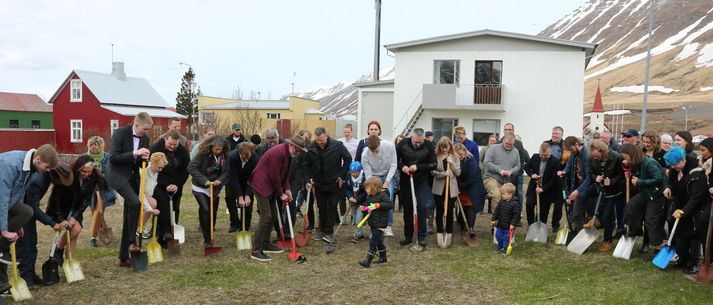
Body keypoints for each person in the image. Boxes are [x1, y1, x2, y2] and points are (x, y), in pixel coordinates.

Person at [0, 144, 57, 292]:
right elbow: (2, 199)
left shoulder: (31, 168)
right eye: (47, 166)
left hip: (8, 201)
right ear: (38, 159)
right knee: (3, 239)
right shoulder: (11, 165)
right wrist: (4, 230)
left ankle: (3, 248)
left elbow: (17, 195)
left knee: (26, 211)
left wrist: (17, 225)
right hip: (1, 200)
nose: (48, 170)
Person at [249, 135, 308, 261]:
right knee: (266, 216)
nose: (298, 153)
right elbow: (274, 175)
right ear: (292, 145)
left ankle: (265, 243)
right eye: (298, 150)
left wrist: (287, 189)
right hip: (261, 185)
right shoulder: (278, 152)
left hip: (271, 185)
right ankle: (256, 249)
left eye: (300, 151)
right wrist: (281, 194)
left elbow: (285, 175)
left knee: (274, 215)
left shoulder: (289, 154)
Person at [106, 112, 152, 268]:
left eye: (148, 130)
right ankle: (132, 242)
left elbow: (139, 164)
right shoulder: (120, 133)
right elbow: (113, 158)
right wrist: (134, 153)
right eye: (144, 129)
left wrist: (145, 159)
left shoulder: (145, 138)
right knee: (135, 203)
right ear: (136, 124)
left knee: (129, 214)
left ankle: (124, 258)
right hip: (117, 175)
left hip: (132, 177)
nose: (146, 133)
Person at [49, 155, 107, 264]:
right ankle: (59, 252)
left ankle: (62, 252)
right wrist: (61, 219)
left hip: (76, 208)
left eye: (89, 172)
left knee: (75, 232)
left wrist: (74, 217)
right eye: (84, 171)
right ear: (79, 168)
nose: (86, 174)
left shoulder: (92, 177)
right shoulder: (68, 175)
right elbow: (56, 199)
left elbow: (86, 199)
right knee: (74, 232)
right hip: (61, 208)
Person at [663, 146, 709, 274]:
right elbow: (671, 182)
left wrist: (683, 211)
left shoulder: (697, 173)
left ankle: (694, 263)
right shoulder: (674, 170)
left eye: (675, 164)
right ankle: (683, 259)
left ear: (683, 160)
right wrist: (668, 188)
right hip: (679, 206)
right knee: (679, 235)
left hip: (694, 209)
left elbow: (696, 198)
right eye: (671, 165)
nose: (673, 167)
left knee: (692, 236)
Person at [304, 127, 352, 242]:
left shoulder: (337, 145)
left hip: (334, 182)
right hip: (319, 183)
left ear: (326, 135)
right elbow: (306, 166)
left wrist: (341, 175)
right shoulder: (311, 148)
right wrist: (307, 179)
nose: (320, 143)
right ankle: (322, 230)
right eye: (317, 140)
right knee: (321, 207)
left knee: (331, 206)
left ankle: (329, 232)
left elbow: (348, 159)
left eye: (322, 140)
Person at [621, 144, 666, 252]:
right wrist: (628, 169)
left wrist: (639, 182)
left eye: (627, 157)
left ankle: (658, 245)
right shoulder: (637, 162)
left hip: (656, 194)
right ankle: (634, 231)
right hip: (646, 192)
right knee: (631, 206)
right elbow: (637, 173)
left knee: (650, 220)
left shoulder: (650, 163)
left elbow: (659, 178)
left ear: (633, 155)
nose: (625, 160)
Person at [396, 128, 436, 248]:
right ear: (412, 138)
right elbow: (395, 161)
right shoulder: (402, 144)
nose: (418, 144)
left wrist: (417, 167)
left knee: (422, 207)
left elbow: (434, 164)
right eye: (416, 142)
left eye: (420, 142)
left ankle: (421, 236)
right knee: (408, 209)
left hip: (422, 181)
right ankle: (408, 235)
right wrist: (403, 167)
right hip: (406, 181)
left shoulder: (428, 146)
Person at [188, 135, 230, 248]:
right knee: (205, 209)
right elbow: (191, 168)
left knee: (212, 212)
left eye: (220, 149)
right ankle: (206, 239)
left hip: (215, 186)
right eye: (216, 149)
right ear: (211, 147)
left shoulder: (225, 156)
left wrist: (219, 180)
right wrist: (204, 180)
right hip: (200, 186)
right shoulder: (202, 155)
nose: (218, 151)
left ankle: (210, 233)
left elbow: (227, 171)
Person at [150, 130, 190, 247]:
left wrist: (177, 184)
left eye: (175, 144)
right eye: (170, 144)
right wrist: (165, 185)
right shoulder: (156, 149)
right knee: (162, 206)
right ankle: (162, 235)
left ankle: (171, 234)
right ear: (165, 138)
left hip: (176, 184)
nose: (172, 147)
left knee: (175, 208)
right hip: (159, 183)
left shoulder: (182, 151)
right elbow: (154, 170)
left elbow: (186, 169)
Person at [585, 140, 624, 252]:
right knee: (585, 196)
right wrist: (595, 177)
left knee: (607, 217)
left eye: (597, 156)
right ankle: (595, 218)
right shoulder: (592, 158)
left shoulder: (616, 158)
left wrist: (612, 181)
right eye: (594, 157)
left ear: (602, 151)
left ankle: (607, 241)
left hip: (613, 192)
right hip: (600, 189)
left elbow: (622, 175)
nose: (595, 158)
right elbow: (591, 171)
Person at [360, 135, 397, 236]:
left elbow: (394, 165)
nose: (374, 153)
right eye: (372, 151)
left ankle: (388, 226)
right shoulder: (365, 154)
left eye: (376, 150)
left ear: (379, 144)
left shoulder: (390, 146)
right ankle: (375, 227)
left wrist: (387, 182)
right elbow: (368, 174)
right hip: (373, 177)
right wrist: (373, 187)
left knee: (387, 199)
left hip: (386, 175)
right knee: (374, 201)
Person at [86, 136, 117, 247]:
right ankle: (99, 229)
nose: (94, 150)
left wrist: (101, 178)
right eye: (92, 148)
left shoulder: (106, 157)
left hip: (103, 189)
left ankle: (93, 237)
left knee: (99, 211)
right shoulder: (85, 157)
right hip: (89, 190)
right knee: (95, 211)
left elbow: (111, 172)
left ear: (101, 147)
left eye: (97, 149)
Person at [524, 143, 562, 232]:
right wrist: (532, 174)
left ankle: (540, 228)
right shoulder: (535, 157)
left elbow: (554, 179)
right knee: (529, 204)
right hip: (534, 186)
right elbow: (527, 167)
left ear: (550, 153)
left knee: (543, 212)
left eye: (545, 155)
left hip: (547, 189)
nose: (543, 157)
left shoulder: (555, 162)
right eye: (541, 155)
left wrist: (543, 188)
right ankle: (530, 225)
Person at [357, 177, 393, 268]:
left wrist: (378, 205)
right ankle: (383, 257)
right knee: (378, 241)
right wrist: (363, 208)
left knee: (373, 241)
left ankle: (368, 260)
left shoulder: (383, 195)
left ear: (374, 188)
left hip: (380, 223)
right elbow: (367, 206)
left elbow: (389, 205)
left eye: (367, 188)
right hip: (373, 222)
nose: (366, 190)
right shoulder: (369, 196)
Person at [431, 137, 461, 245]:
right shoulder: (435, 156)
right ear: (439, 147)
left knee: (449, 211)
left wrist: (451, 163)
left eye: (446, 147)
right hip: (439, 188)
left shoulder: (455, 156)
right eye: (442, 148)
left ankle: (449, 232)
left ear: (450, 147)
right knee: (439, 210)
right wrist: (443, 174)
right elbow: (432, 172)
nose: (444, 150)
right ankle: (439, 232)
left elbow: (458, 173)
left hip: (451, 188)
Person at [559, 136, 591, 232]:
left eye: (571, 149)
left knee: (578, 211)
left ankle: (581, 232)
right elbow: (568, 166)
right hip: (576, 184)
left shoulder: (586, 156)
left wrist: (578, 191)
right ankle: (577, 230)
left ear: (576, 144)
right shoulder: (574, 153)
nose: (570, 152)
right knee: (574, 209)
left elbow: (589, 177)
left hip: (586, 187)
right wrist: (564, 172)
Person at [483, 133, 521, 211]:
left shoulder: (516, 152)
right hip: (491, 177)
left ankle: (504, 218)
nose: (509, 146)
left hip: (506, 180)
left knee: (508, 198)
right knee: (497, 195)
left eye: (511, 144)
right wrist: (499, 170)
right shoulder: (493, 148)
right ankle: (496, 220)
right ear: (503, 140)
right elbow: (487, 162)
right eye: (507, 143)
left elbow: (518, 166)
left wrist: (511, 171)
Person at [454, 143, 485, 236]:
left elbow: (472, 177)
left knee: (470, 205)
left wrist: (461, 188)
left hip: (472, 187)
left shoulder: (470, 161)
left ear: (464, 152)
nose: (459, 156)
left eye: (461, 154)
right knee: (462, 206)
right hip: (462, 187)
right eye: (457, 154)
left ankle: (470, 228)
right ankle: (461, 225)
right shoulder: (455, 161)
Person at [227, 142, 258, 233]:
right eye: (244, 158)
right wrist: (240, 196)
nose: (246, 160)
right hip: (233, 181)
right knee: (230, 199)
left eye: (248, 158)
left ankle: (244, 228)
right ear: (239, 153)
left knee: (248, 204)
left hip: (248, 182)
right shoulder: (232, 157)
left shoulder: (255, 159)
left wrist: (247, 195)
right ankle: (235, 223)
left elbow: (253, 178)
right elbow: (233, 178)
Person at [137, 153, 165, 239]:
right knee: (152, 203)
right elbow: (140, 194)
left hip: (145, 195)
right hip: (135, 195)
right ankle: (139, 228)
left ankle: (140, 227)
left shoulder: (155, 171)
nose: (160, 170)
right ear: (152, 163)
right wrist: (150, 209)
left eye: (162, 168)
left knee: (154, 202)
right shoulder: (143, 172)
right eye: (159, 167)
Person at [491, 183, 520, 255]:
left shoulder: (515, 204)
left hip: (509, 226)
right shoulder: (501, 202)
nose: (502, 195)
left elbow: (516, 215)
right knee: (498, 235)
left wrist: (513, 224)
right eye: (502, 194)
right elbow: (497, 210)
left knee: (506, 238)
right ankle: (500, 246)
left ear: (510, 194)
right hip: (500, 224)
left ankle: (505, 248)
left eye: (503, 194)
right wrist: (494, 218)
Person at [696, 138, 713, 261]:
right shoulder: (702, 163)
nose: (702, 153)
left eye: (704, 150)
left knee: (705, 220)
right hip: (705, 199)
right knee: (703, 224)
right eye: (700, 150)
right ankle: (707, 257)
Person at [344, 161, 367, 242]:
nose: (353, 174)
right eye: (352, 172)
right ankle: (358, 232)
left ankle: (359, 235)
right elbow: (346, 188)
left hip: (362, 201)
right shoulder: (348, 176)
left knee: (358, 218)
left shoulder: (365, 177)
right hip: (352, 200)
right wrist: (350, 197)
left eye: (355, 172)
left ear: (360, 171)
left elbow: (366, 192)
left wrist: (357, 199)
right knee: (354, 216)